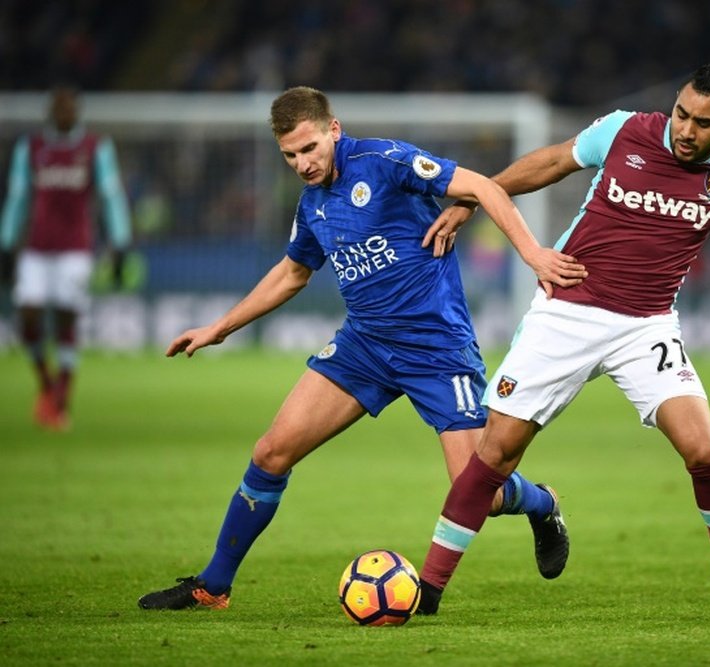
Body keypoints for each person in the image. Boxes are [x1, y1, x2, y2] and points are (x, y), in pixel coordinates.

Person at [415, 63, 710, 621]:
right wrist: (475, 196)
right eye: (681, 114)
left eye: (703, 123)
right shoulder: (623, 131)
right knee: (494, 454)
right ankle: (428, 592)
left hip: (646, 326)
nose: (686, 131)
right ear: (673, 105)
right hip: (566, 311)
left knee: (704, 451)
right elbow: (550, 161)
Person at [137, 86, 586, 610]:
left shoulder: (385, 161)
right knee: (271, 452)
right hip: (364, 346)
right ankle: (212, 587)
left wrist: (533, 255)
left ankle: (542, 503)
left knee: (480, 495)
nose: (302, 163)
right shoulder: (313, 206)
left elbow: (484, 187)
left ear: (334, 129)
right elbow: (292, 273)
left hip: (436, 349)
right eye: (290, 155)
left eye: (309, 148)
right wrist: (221, 327)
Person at [0, 86, 132, 431]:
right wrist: (6, 243)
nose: (64, 114)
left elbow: (111, 195)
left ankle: (61, 396)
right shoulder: (30, 148)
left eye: (69, 108)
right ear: (50, 113)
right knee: (27, 315)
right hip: (36, 248)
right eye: (59, 108)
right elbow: (17, 197)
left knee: (64, 319)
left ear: (77, 112)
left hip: (76, 248)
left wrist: (119, 243)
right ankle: (46, 383)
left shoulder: (94, 148)